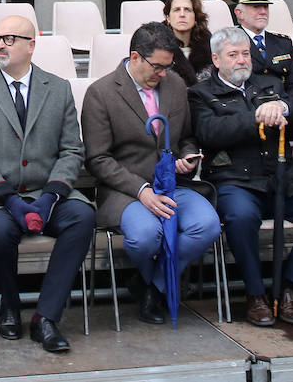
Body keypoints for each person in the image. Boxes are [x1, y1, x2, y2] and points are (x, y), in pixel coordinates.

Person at [0, 15, 95, 353]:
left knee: (83, 217)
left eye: (9, 38)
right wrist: (7, 197)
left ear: (31, 45)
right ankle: (10, 300)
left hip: (46, 191)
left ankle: (45, 317)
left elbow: (71, 149)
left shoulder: (58, 87)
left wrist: (52, 195)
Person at [189, 26, 293, 327]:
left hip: (282, 178)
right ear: (217, 60)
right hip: (236, 181)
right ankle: (255, 294)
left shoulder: (271, 83)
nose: (242, 60)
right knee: (240, 217)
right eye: (233, 55)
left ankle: (290, 290)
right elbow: (209, 133)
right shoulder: (201, 93)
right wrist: (255, 117)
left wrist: (282, 107)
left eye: (245, 53)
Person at [81, 21, 219, 325]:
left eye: (167, 67)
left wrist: (187, 156)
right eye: (157, 67)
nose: (162, 74)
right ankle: (159, 284)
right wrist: (142, 191)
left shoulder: (175, 85)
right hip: (125, 190)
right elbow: (98, 159)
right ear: (135, 57)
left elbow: (186, 137)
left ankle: (151, 285)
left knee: (207, 225)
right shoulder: (100, 93)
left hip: (172, 184)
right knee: (146, 237)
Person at [231, 0, 293, 93]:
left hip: (282, 104)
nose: (263, 12)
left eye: (265, 7)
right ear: (239, 13)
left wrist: (286, 106)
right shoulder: (229, 43)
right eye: (256, 7)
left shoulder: (283, 43)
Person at [161, 0, 212, 86]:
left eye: (187, 10)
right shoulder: (157, 46)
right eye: (176, 10)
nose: (182, 14)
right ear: (168, 18)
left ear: (196, 17)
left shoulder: (211, 46)